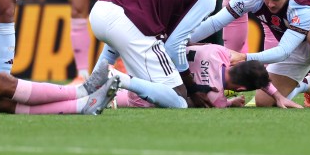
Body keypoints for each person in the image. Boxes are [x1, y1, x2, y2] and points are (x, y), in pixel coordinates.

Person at [83, 0, 248, 109]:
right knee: (179, 99)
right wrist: (192, 87)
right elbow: (174, 45)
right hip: (129, 26)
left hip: (102, 11)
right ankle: (116, 78)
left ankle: (93, 88)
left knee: (122, 33)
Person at [115, 44, 272, 109]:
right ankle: (115, 89)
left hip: (147, 65)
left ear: (238, 64)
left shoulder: (218, 51)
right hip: (144, 98)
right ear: (241, 88)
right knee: (176, 103)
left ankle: (112, 80)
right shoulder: (216, 99)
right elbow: (211, 101)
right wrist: (230, 102)